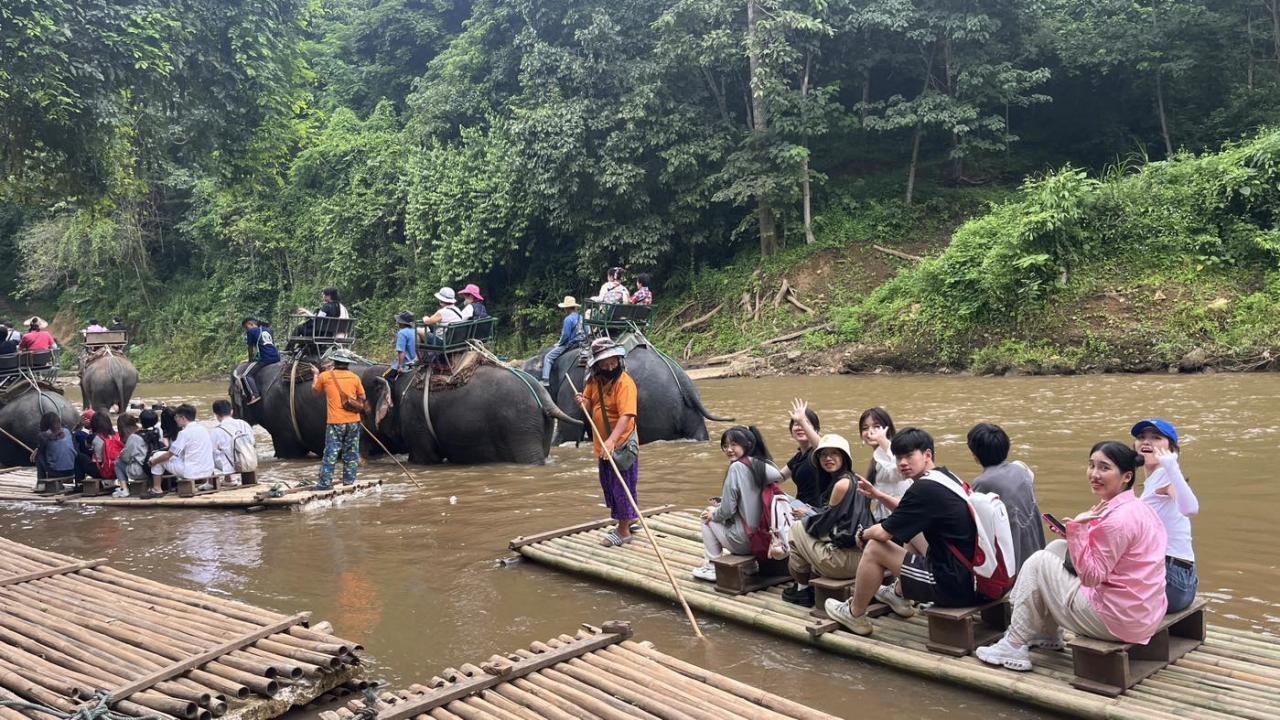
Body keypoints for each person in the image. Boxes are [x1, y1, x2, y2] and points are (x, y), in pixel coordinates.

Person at [976, 441, 1168, 672]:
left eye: (1104, 468)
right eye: (1091, 465)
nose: (1094, 474)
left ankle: (1014, 643)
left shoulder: (1117, 520)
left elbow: (1091, 578)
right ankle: (1046, 632)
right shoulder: (1138, 508)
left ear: (1126, 476)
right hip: (1143, 612)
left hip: (1118, 620)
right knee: (1056, 547)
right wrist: (1077, 535)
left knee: (1038, 562)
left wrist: (1078, 530)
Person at [824, 428, 978, 635]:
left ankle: (854, 614)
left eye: (909, 456)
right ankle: (899, 594)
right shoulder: (945, 478)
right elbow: (907, 514)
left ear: (927, 455)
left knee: (875, 548)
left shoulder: (923, 489)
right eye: (898, 457)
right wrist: (878, 495)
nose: (902, 463)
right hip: (971, 576)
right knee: (913, 532)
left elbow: (882, 535)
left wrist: (862, 534)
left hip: (951, 586)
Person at [783, 434, 875, 606]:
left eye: (834, 454)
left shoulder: (841, 484)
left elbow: (823, 527)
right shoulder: (855, 479)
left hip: (844, 562)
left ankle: (802, 589)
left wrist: (807, 516)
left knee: (795, 529)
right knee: (803, 527)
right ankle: (804, 587)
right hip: (862, 556)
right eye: (823, 455)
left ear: (844, 457)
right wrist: (813, 513)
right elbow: (836, 516)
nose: (828, 458)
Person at [692, 426, 783, 581]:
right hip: (766, 539)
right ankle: (751, 565)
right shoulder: (760, 464)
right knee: (714, 512)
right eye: (726, 446)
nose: (729, 449)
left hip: (745, 542)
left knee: (705, 516)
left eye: (734, 444)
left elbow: (727, 511)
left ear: (747, 444)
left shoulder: (736, 467)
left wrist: (713, 513)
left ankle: (712, 566)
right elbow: (778, 476)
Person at [575, 338, 639, 547]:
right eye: (605, 362)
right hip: (603, 445)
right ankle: (629, 518)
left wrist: (612, 441)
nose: (610, 366)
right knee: (609, 486)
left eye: (613, 361)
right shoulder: (594, 382)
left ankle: (623, 531)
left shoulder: (625, 383)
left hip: (620, 444)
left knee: (622, 486)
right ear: (597, 365)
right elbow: (589, 402)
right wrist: (581, 402)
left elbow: (627, 415)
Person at [1132, 418, 1199, 612]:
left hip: (1171, 579)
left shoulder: (1166, 477)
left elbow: (1190, 509)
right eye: (1141, 437)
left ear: (1172, 450)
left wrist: (1172, 467)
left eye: (1155, 437)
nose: (1146, 441)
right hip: (1179, 581)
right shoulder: (1151, 482)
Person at [968, 422, 1045, 574]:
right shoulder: (1020, 470)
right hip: (1036, 551)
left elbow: (974, 523)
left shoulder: (983, 482)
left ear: (975, 455)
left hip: (1013, 562)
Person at [310, 348, 366, 490]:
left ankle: (325, 483)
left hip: (335, 422)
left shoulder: (325, 376)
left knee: (331, 452)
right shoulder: (355, 377)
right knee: (351, 453)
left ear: (334, 362)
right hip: (353, 421)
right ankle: (349, 482)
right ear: (348, 363)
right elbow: (363, 398)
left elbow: (314, 392)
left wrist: (316, 375)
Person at [854, 407, 912, 521]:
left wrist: (883, 441)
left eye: (876, 426)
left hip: (901, 516)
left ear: (888, 429)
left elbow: (902, 473)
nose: (870, 431)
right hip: (885, 514)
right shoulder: (877, 457)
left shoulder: (895, 452)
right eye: (865, 428)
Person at [147, 404, 216, 497]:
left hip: (191, 472)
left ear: (183, 418)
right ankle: (209, 483)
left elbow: (169, 455)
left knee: (157, 455)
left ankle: (157, 489)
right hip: (208, 471)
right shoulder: (203, 429)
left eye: (176, 417)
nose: (175, 419)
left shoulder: (184, 433)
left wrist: (153, 462)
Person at [780, 399, 823, 509]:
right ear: (791, 431)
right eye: (796, 424)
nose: (799, 427)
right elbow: (778, 477)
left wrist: (802, 420)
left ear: (816, 430)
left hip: (817, 513)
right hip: (800, 508)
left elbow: (823, 447)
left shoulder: (818, 454)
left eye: (805, 424)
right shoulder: (798, 457)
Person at [541, 296, 586, 386]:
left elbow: (565, 335)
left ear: (567, 308)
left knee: (548, 357)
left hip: (571, 344)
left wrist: (559, 344)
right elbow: (587, 331)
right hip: (582, 342)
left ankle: (545, 380)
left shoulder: (568, 319)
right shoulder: (581, 317)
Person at [212, 399, 255, 486]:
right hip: (249, 460)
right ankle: (234, 478)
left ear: (216, 415)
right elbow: (252, 442)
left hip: (231, 465)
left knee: (210, 453)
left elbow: (211, 449)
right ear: (231, 412)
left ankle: (228, 478)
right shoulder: (243, 424)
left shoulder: (216, 431)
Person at [240, 318, 280, 405]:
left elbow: (251, 348)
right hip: (276, 357)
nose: (247, 330)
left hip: (265, 358)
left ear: (250, 324)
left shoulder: (251, 332)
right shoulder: (268, 330)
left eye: (246, 327)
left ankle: (255, 395)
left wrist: (250, 360)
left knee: (246, 375)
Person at [32, 412, 77, 481]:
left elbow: (41, 449)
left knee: (38, 457)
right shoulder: (67, 431)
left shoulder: (43, 435)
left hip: (56, 472)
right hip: (72, 470)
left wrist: (37, 451)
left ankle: (41, 482)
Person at [113, 414, 147, 498]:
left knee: (117, 462)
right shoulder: (144, 433)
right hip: (150, 469)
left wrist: (121, 454)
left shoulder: (133, 437)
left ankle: (124, 489)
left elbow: (125, 457)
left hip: (140, 471)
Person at [90, 412, 123, 482]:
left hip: (102, 470)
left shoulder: (94, 438)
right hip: (117, 470)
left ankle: (79, 484)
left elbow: (87, 447)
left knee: (80, 458)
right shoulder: (117, 436)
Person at [388, 311, 418, 382]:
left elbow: (401, 351)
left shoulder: (402, 333)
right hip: (417, 362)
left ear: (401, 322)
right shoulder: (415, 331)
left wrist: (401, 367)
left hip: (408, 364)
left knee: (387, 378)